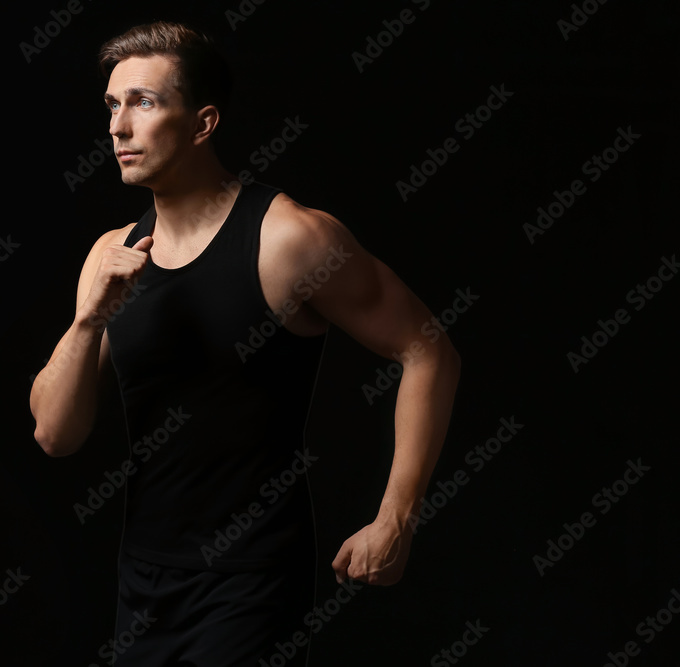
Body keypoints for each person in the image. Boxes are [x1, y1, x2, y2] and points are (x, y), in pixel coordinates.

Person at [29, 20, 461, 666]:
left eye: (143, 103)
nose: (118, 127)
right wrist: (89, 318)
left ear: (203, 123)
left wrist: (396, 517)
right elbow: (54, 435)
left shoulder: (289, 239)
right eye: (113, 106)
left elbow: (429, 350)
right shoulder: (109, 255)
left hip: (252, 579)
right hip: (144, 580)